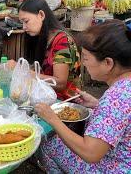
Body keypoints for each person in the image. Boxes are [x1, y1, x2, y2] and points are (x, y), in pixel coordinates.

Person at [34, 19, 131, 173]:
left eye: (85, 57)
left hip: (115, 167)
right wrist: (97, 104)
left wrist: (52, 118)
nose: (83, 63)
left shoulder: (116, 97)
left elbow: (90, 153)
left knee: (49, 144)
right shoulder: (125, 86)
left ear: (108, 63)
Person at [8, 0, 80, 100]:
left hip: (64, 101)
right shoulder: (39, 36)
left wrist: (23, 71)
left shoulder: (62, 41)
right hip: (43, 95)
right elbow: (36, 67)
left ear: (41, 15)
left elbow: (60, 84)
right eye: (22, 22)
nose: (23, 27)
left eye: (26, 21)